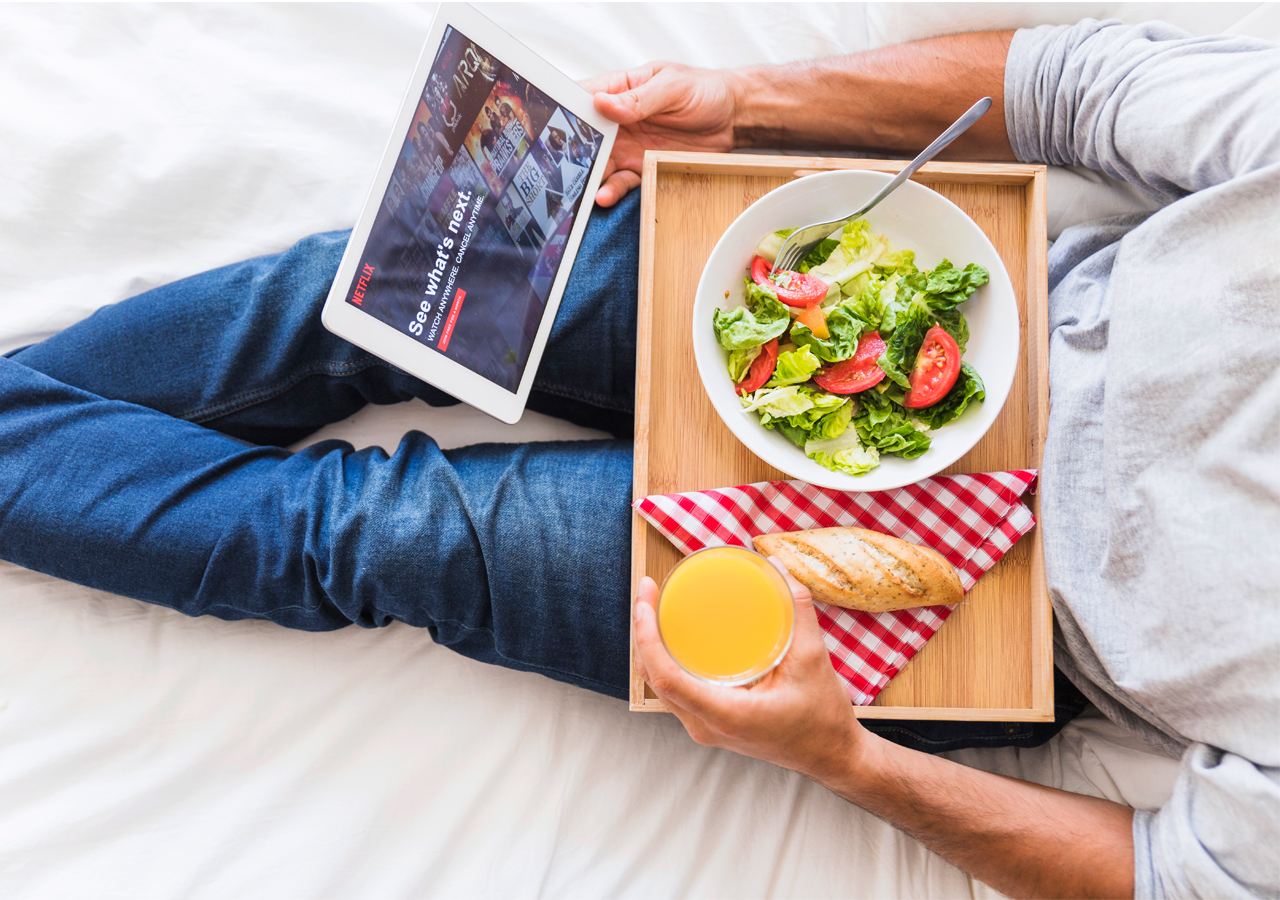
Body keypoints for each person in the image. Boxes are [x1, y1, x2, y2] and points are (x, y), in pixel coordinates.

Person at [0, 18, 1275, 900]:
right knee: (352, 303)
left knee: (370, 534)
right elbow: (1073, 88)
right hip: (928, 311)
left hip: (962, 615)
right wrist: (743, 103)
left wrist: (839, 757)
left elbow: (1167, 876)